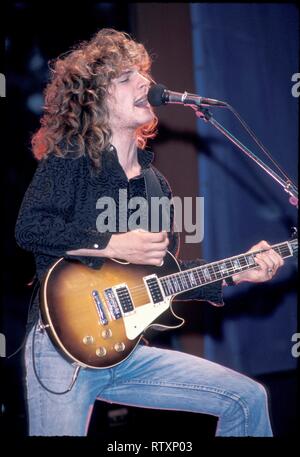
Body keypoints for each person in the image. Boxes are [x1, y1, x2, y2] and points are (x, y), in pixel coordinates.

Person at [15, 28, 284, 437]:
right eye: (126, 78)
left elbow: (162, 279)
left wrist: (236, 272)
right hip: (61, 348)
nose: (146, 82)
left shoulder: (155, 184)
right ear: (95, 98)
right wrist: (110, 244)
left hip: (125, 352)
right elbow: (30, 227)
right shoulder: (72, 159)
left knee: (246, 397)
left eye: (143, 73)